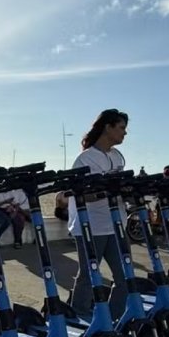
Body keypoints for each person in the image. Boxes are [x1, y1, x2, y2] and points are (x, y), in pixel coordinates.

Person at [67, 108, 128, 320]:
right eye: (121, 128)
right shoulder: (85, 159)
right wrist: (110, 191)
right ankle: (79, 315)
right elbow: (80, 195)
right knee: (89, 275)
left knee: (124, 277)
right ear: (107, 127)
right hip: (91, 227)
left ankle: (113, 318)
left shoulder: (117, 156)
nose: (125, 133)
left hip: (116, 225)